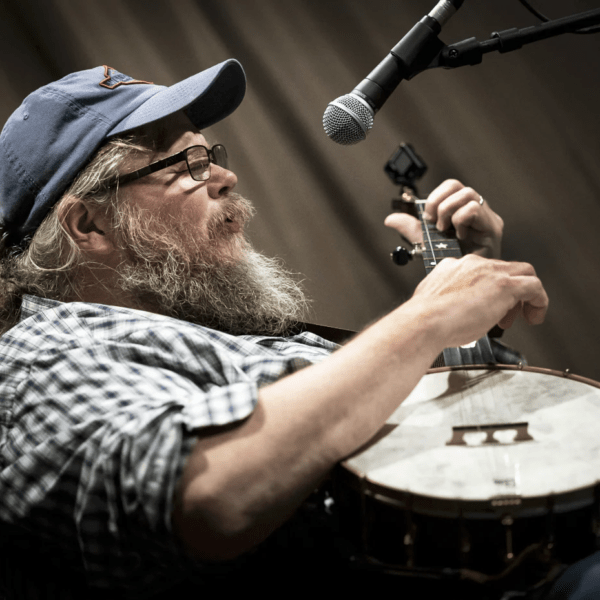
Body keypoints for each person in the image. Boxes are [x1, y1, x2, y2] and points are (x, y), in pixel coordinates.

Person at [0, 60, 547, 598]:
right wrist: (427, 318)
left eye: (210, 153)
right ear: (88, 224)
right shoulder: (46, 351)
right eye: (186, 162)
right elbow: (210, 497)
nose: (225, 175)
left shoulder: (218, 335)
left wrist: (471, 322)